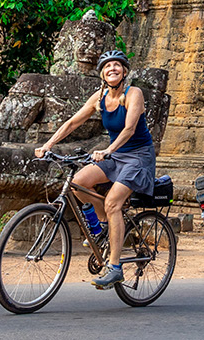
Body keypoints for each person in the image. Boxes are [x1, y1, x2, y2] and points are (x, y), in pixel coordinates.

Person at [36, 49, 154, 290]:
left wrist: (108, 150)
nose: (112, 69)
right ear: (102, 73)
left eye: (117, 65)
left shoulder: (134, 94)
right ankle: (102, 226)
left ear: (124, 71)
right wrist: (48, 145)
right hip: (115, 154)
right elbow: (72, 122)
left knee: (113, 203)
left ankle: (115, 268)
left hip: (137, 157)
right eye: (107, 66)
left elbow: (129, 129)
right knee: (78, 183)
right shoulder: (99, 97)